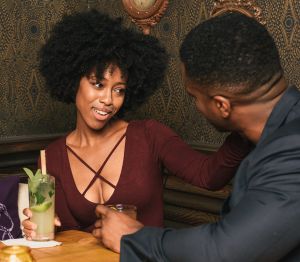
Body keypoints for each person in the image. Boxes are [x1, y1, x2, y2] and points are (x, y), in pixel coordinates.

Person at [22, 10, 251, 239]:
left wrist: (245, 124)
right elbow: (65, 235)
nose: (108, 100)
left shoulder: (149, 136)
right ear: (73, 82)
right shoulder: (50, 158)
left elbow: (208, 175)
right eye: (98, 84)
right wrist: (44, 229)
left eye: (119, 89)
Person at [93, 12, 300, 261]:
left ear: (222, 105)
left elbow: (224, 250)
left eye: (194, 97)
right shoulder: (276, 132)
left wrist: (134, 238)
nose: (197, 107)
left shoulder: (292, 148)